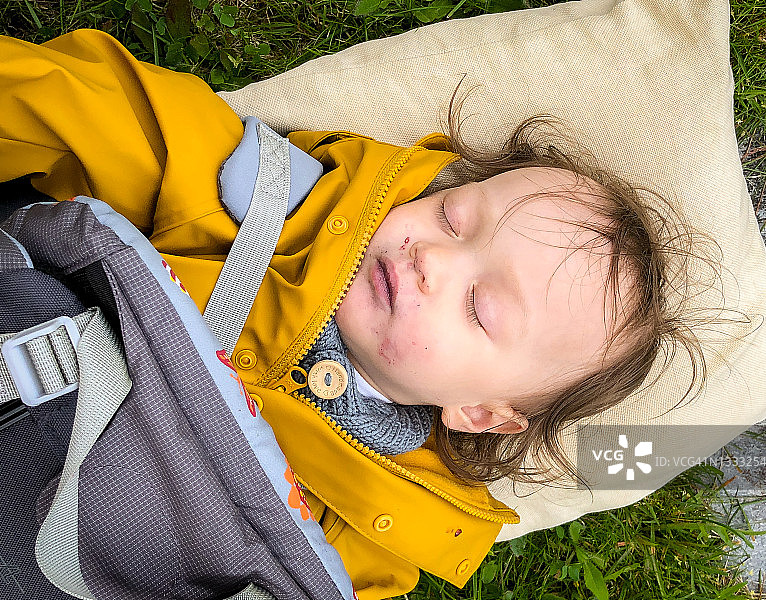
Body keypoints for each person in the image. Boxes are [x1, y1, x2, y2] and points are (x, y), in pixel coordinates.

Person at [0, 29, 702, 599]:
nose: (434, 259)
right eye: (453, 218)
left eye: (478, 306)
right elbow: (94, 110)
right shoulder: (263, 211)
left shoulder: (386, 526)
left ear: (482, 413)